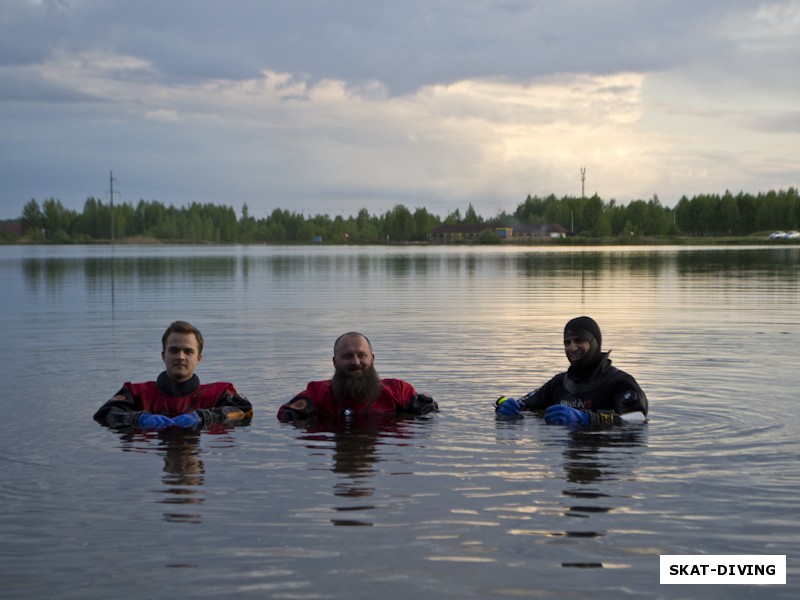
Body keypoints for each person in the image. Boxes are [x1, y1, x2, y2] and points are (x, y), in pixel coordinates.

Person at [93, 320, 253, 429]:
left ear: (199, 359)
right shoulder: (136, 393)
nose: (180, 357)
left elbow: (245, 411)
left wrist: (206, 416)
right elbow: (104, 415)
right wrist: (138, 418)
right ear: (163, 355)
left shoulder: (217, 394)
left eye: (188, 351)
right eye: (174, 350)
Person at [495, 316, 648, 426]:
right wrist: (505, 406)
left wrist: (589, 419)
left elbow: (638, 418)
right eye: (567, 342)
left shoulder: (619, 382)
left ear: (594, 344)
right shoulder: (559, 383)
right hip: (566, 453)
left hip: (604, 453)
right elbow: (523, 404)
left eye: (579, 341)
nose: (572, 348)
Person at [277, 332, 437, 422]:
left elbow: (430, 413)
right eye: (347, 356)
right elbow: (285, 416)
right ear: (335, 362)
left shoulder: (398, 391)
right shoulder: (317, 394)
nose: (356, 362)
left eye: (362, 355)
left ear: (372, 359)